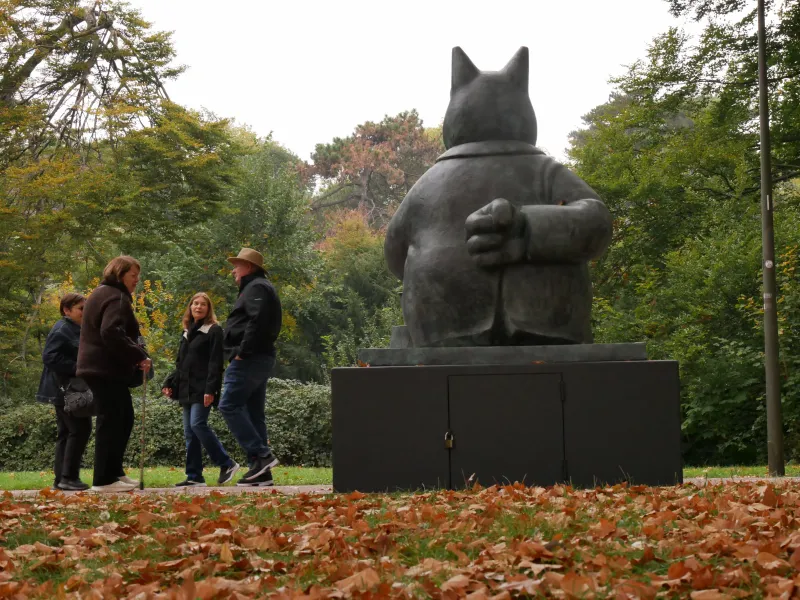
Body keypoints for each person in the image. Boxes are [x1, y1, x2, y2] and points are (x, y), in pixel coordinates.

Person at [77, 255, 152, 493]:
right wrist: (138, 355)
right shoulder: (116, 296)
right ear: (120, 274)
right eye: (133, 275)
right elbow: (110, 331)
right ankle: (103, 480)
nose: (136, 281)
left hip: (99, 368)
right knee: (111, 421)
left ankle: (115, 471)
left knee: (124, 417)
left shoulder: (101, 293)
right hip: (104, 368)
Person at [219, 248, 282, 487]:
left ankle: (262, 455)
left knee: (229, 405)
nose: (233, 270)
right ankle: (261, 472)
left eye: (238, 265)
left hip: (250, 358)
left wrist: (242, 352)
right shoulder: (257, 287)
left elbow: (257, 322)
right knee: (254, 413)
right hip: (259, 357)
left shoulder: (256, 288)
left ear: (249, 267)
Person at [162, 293, 240, 487]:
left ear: (208, 309)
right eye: (195, 304)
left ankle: (227, 463)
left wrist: (211, 390)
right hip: (186, 389)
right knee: (190, 433)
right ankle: (195, 476)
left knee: (198, 424)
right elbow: (181, 364)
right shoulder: (187, 332)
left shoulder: (213, 330)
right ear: (190, 307)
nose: (198, 307)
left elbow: (215, 363)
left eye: (203, 304)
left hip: (203, 388)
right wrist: (168, 383)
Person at [36, 293, 92, 491]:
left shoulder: (75, 329)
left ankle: (62, 479)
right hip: (63, 390)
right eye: (81, 308)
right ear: (66, 310)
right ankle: (68, 477)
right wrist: (78, 367)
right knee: (79, 429)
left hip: (65, 389)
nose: (84, 312)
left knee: (68, 432)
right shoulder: (62, 330)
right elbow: (49, 357)